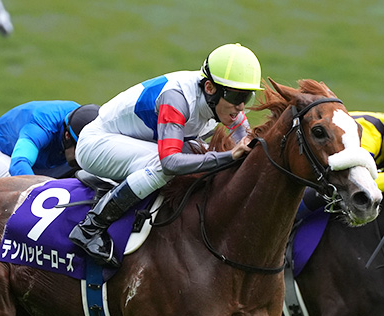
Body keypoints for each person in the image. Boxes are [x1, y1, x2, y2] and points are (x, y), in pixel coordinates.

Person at [69, 43, 262, 267]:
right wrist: (229, 156)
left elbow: (246, 143)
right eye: (236, 96)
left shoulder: (224, 103)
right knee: (165, 165)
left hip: (137, 142)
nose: (241, 107)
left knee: (200, 153)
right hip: (96, 144)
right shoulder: (176, 98)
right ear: (210, 88)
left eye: (247, 97)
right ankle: (90, 228)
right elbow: (170, 162)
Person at [0, 101, 100, 182]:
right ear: (67, 136)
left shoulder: (91, 125)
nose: (83, 155)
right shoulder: (41, 127)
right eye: (80, 150)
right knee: (26, 195)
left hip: (43, 159)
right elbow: (19, 164)